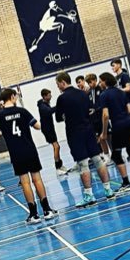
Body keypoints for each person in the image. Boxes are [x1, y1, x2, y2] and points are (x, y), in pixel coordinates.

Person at [0, 89, 58, 224]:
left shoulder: (0, 116)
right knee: (37, 179)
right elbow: (37, 126)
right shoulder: (22, 111)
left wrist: (5, 131)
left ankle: (33, 215)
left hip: (16, 153)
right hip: (29, 150)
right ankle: (47, 210)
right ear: (13, 97)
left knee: (25, 182)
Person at [55, 72, 115, 208]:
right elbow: (90, 110)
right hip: (88, 130)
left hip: (75, 133)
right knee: (97, 159)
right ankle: (108, 190)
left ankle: (89, 195)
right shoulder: (83, 94)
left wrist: (69, 116)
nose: (58, 86)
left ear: (63, 82)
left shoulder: (62, 98)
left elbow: (58, 118)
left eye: (58, 84)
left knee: (83, 164)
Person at [98, 72, 130, 190]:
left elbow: (105, 115)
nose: (99, 83)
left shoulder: (104, 95)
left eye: (100, 81)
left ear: (105, 81)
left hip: (117, 126)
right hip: (128, 123)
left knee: (116, 155)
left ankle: (126, 182)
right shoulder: (121, 92)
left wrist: (104, 132)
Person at [37, 89, 68, 176]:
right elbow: (49, 111)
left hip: (50, 128)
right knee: (56, 146)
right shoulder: (42, 106)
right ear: (44, 96)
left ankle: (60, 165)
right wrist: (59, 105)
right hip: (47, 129)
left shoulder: (45, 104)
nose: (51, 97)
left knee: (57, 146)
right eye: (49, 95)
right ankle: (57, 167)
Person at [85, 73, 113, 166]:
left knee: (108, 137)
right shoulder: (88, 93)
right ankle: (107, 157)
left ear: (95, 80)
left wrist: (96, 110)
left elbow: (104, 104)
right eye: (88, 83)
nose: (90, 84)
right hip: (94, 120)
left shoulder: (101, 89)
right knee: (101, 139)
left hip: (102, 117)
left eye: (91, 82)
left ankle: (115, 155)